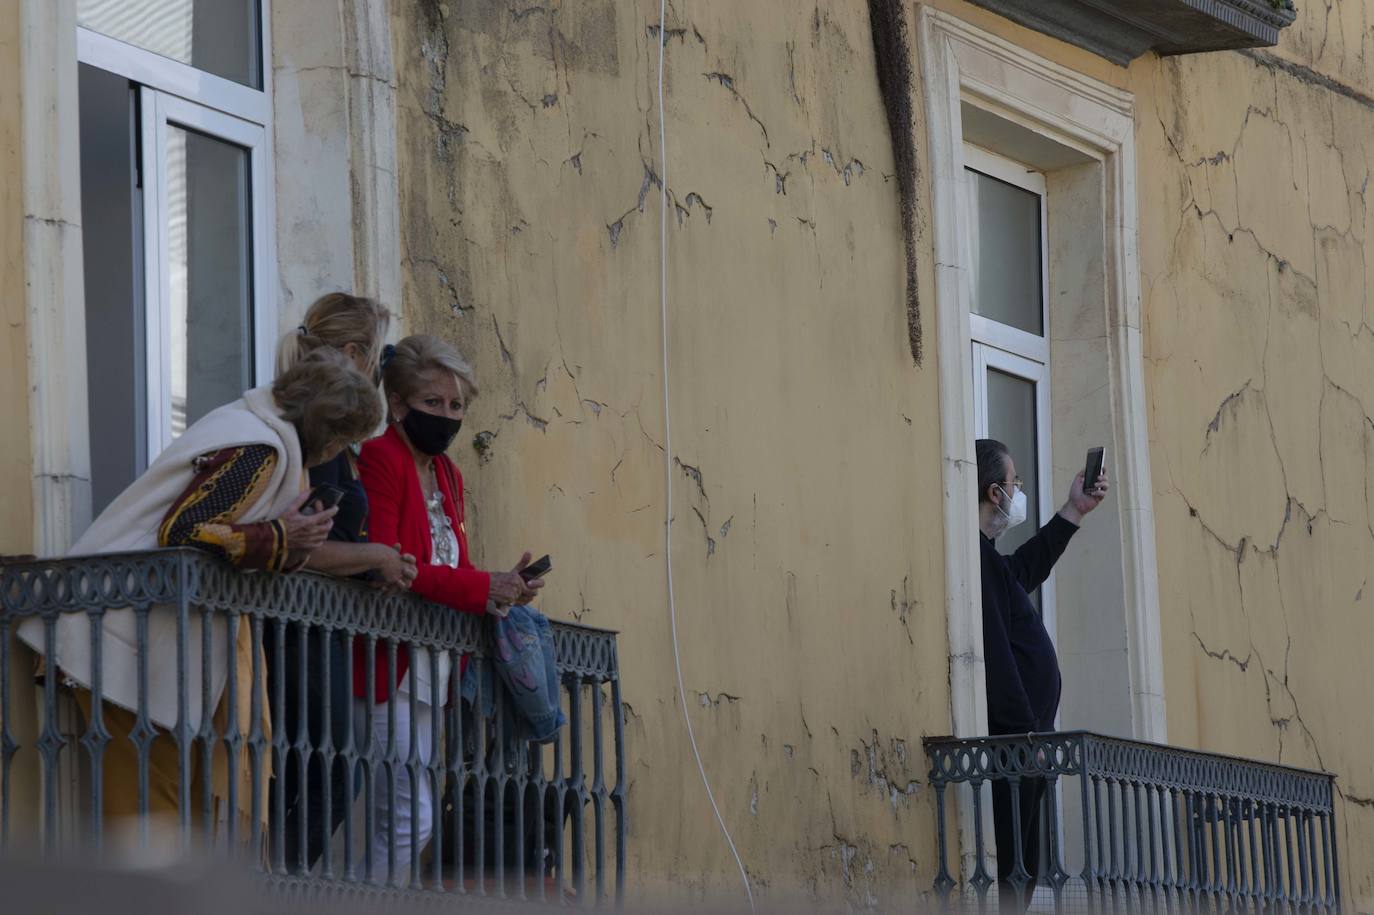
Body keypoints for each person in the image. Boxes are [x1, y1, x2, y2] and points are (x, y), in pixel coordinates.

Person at [17, 349, 383, 850]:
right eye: (345, 439)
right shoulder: (259, 447)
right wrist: (280, 536)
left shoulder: (253, 429)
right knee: (148, 815)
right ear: (327, 428)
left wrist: (289, 541)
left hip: (139, 635)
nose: (340, 452)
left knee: (167, 814)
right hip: (122, 634)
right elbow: (183, 530)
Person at [354, 334, 545, 885]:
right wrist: (479, 587)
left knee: (410, 818)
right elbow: (392, 563)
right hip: (386, 662)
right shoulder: (380, 457)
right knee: (411, 820)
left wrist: (505, 588)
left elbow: (450, 569)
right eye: (433, 403)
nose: (447, 416)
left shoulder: (449, 475)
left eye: (457, 406)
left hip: (434, 667)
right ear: (397, 405)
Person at [270, 293, 418, 874]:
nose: (381, 373)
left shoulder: (332, 436)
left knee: (322, 770)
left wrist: (381, 563)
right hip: (297, 632)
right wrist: (375, 554)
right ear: (355, 354)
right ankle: (273, 886)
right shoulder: (317, 436)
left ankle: (278, 882)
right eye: (380, 359)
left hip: (319, 632)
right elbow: (298, 548)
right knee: (327, 770)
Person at [976, 438, 1107, 910]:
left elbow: (1026, 567)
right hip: (1018, 749)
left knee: (1023, 874)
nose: (1018, 492)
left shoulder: (988, 562)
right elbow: (996, 657)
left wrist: (1073, 511)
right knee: (1017, 877)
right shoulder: (977, 560)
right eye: (1015, 483)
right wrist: (1027, 737)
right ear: (995, 493)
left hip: (1024, 749)